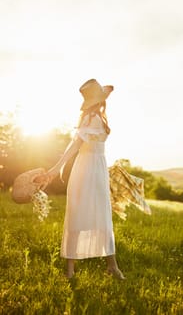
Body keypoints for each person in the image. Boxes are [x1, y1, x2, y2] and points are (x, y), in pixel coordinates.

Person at [36, 79, 125, 280]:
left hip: (98, 168)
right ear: (100, 100)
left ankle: (112, 266)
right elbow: (75, 146)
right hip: (85, 169)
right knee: (78, 215)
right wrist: (55, 169)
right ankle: (70, 270)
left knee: (103, 214)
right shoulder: (90, 119)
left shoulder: (98, 118)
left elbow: (90, 146)